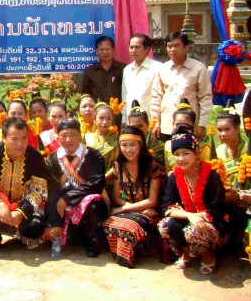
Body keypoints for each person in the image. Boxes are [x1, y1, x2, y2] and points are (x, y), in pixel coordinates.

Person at [0, 117, 55, 253]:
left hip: (23, 203)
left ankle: (20, 236)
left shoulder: (35, 156)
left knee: (35, 226)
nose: (20, 144)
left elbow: (39, 191)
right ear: (4, 138)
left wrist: (21, 211)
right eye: (14, 139)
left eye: (24, 138)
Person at [158, 125, 227, 275]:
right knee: (165, 226)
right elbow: (167, 206)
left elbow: (216, 209)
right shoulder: (174, 177)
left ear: (197, 154)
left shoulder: (212, 176)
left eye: (186, 153)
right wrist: (190, 216)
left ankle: (207, 254)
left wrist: (198, 217)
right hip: (190, 218)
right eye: (176, 154)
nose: (180, 159)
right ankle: (186, 251)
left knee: (195, 228)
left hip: (212, 222)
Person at [103, 126, 165, 268]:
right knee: (107, 224)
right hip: (137, 210)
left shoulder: (152, 166)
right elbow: (117, 198)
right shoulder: (119, 166)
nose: (128, 150)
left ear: (140, 145)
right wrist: (134, 209)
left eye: (132, 145)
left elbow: (152, 200)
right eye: (124, 145)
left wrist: (123, 209)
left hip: (150, 213)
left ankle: (138, 250)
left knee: (129, 228)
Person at [46, 119, 109, 258]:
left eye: (73, 135)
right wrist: (55, 221)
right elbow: (52, 188)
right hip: (62, 204)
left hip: (88, 202)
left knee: (91, 201)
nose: (69, 140)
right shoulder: (52, 159)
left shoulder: (93, 155)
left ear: (80, 135)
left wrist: (68, 198)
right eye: (64, 135)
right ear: (58, 137)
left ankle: (93, 243)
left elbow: (96, 184)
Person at [151, 32, 212, 142]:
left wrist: (202, 124)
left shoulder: (198, 68)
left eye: (176, 45)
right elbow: (156, 97)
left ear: (186, 47)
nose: (172, 49)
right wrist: (156, 123)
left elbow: (205, 97)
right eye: (169, 46)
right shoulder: (162, 69)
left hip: (189, 125)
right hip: (167, 126)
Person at [213, 104, 250, 250]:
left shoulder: (248, 149)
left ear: (237, 128)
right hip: (227, 199)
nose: (222, 134)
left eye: (227, 129)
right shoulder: (219, 150)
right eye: (219, 130)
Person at [121, 34, 161, 122]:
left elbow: (160, 96)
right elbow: (125, 97)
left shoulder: (158, 68)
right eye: (131, 47)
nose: (133, 50)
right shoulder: (127, 70)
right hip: (131, 121)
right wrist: (124, 120)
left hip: (151, 121)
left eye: (137, 47)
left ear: (147, 49)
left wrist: (157, 122)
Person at [163, 101, 211, 173]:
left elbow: (206, 172)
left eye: (186, 124)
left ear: (194, 126)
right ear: (173, 124)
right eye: (177, 124)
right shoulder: (168, 145)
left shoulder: (203, 148)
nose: (181, 127)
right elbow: (168, 170)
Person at [80, 36, 125, 105]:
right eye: (101, 49)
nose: (104, 52)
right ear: (96, 51)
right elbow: (85, 94)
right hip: (98, 110)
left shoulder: (124, 69)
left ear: (113, 50)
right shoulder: (90, 71)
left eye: (108, 49)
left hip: (119, 109)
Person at [84, 102, 119, 174]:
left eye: (108, 118)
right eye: (101, 118)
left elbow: (118, 163)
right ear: (94, 120)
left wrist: (106, 177)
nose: (105, 122)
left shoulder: (117, 140)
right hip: (91, 177)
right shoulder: (86, 138)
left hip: (112, 177)